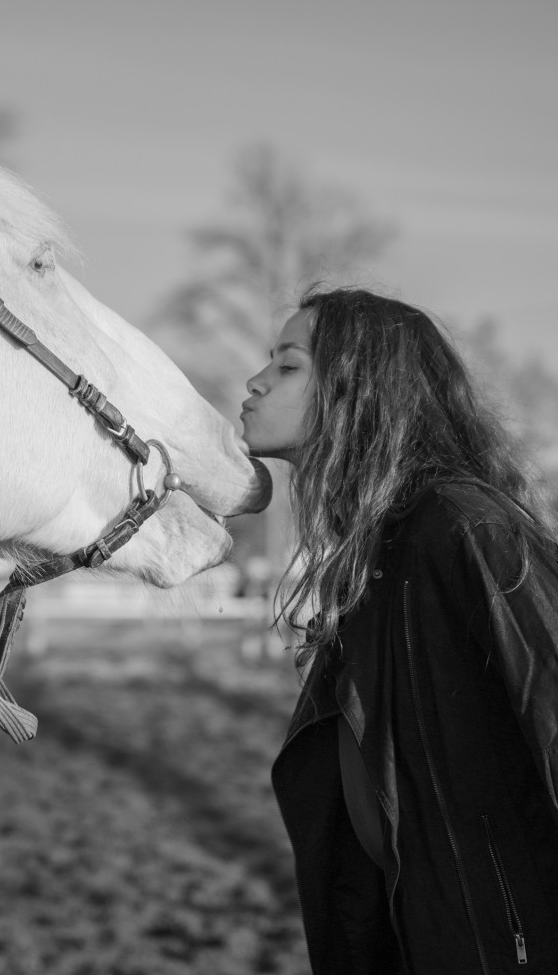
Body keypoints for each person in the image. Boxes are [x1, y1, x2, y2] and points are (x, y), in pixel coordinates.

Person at [240, 285, 558, 974]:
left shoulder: (465, 527)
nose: (255, 381)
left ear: (360, 390)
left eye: (289, 366)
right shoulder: (373, 555)